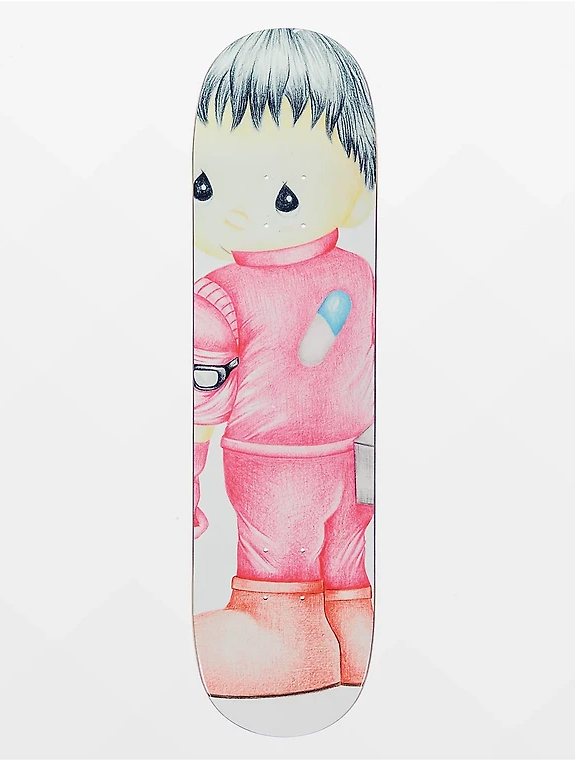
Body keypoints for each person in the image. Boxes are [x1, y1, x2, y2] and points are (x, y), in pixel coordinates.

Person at [193, 28, 375, 698]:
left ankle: (286, 640)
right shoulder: (361, 275)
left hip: (275, 469)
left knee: (281, 599)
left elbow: (200, 411)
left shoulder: (219, 299)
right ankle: (349, 637)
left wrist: (188, 481)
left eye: (284, 197)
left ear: (360, 195)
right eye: (206, 186)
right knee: (348, 585)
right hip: (357, 461)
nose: (235, 212)